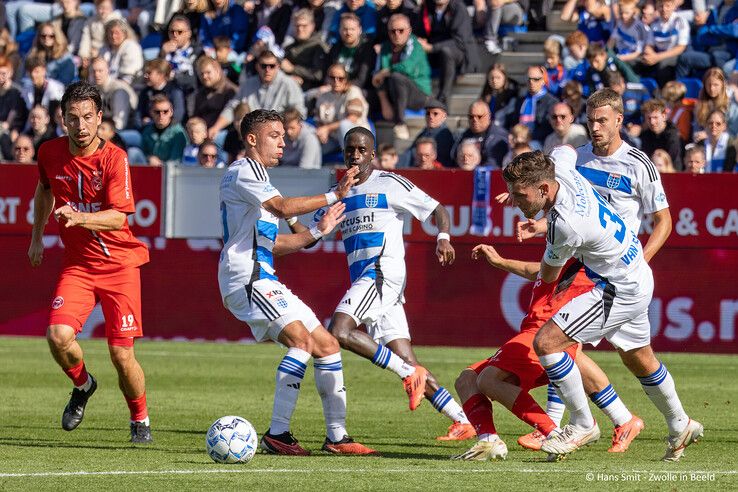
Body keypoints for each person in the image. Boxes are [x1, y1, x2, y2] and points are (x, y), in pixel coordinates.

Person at [502, 144, 702, 462]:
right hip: (636, 270)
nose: (515, 202)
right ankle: (680, 423)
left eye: (520, 195)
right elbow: (565, 148)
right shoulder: (562, 169)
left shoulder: (564, 224)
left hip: (617, 286)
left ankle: (583, 424)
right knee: (639, 358)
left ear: (542, 188)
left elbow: (549, 275)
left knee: (548, 343)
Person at [218, 109, 377, 456]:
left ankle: (337, 438)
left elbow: (274, 244)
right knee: (302, 342)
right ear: (251, 139)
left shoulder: (259, 180)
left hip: (262, 273)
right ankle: (278, 434)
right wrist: (334, 195)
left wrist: (319, 230)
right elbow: (282, 206)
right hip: (246, 276)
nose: (283, 142)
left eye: (283, 136)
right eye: (275, 135)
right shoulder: (244, 172)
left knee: (326, 345)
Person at [319, 127, 475, 441]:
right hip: (367, 281)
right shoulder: (339, 191)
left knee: (339, 330)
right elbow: (313, 232)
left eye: (362, 150)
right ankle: (462, 420)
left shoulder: (389, 182)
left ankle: (409, 375)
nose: (355, 156)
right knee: (406, 357)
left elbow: (437, 210)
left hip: (381, 274)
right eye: (350, 150)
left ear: (372, 154)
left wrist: (443, 238)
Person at [28, 81, 152, 443]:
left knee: (121, 354)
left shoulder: (115, 158)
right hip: (79, 266)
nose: (80, 126)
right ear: (62, 120)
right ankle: (83, 385)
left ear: (100, 118)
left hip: (119, 266)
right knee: (57, 336)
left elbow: (119, 217)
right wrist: (37, 235)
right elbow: (44, 190)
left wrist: (80, 218)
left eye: (87, 117)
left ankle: (140, 418)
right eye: (72, 118)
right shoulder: (49, 152)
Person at [211, 51, 307, 138]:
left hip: (280, 135)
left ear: (278, 66)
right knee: (217, 139)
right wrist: (215, 128)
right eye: (264, 66)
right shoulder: (248, 84)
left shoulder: (289, 84)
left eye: (272, 66)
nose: (267, 69)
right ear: (257, 66)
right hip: (252, 134)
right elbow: (233, 107)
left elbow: (299, 113)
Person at [373, 14, 431, 140]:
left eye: (401, 30)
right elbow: (377, 77)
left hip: (418, 94)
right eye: (393, 31)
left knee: (396, 77)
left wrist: (386, 71)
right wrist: (384, 102)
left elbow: (407, 68)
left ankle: (400, 123)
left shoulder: (415, 45)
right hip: (394, 93)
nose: (397, 34)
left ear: (409, 31)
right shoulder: (385, 48)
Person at [416, 0, 479, 104]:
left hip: (461, 53)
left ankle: (442, 98)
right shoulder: (427, 7)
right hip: (435, 52)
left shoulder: (458, 7)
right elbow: (419, 30)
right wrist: (420, 40)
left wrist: (432, 47)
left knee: (446, 52)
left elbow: (460, 40)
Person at [314, 63, 369, 154]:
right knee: (311, 137)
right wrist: (321, 131)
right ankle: (309, 167)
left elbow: (352, 119)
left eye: (340, 78)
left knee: (344, 125)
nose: (336, 81)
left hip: (357, 138)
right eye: (332, 78)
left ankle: (352, 162)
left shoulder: (353, 92)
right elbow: (318, 120)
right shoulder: (322, 96)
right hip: (332, 138)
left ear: (346, 79)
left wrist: (327, 128)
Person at [638, 0, 688, 87]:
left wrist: (657, 57)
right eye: (661, 6)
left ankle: (662, 95)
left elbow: (681, 47)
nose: (664, 9)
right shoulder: (655, 24)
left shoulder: (679, 21)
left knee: (663, 64)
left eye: (667, 6)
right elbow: (649, 45)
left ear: (673, 6)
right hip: (657, 55)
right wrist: (649, 54)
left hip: (674, 55)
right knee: (639, 62)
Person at [507, 66, 558, 146]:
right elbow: (514, 121)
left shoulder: (552, 102)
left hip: (539, 142)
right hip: (518, 140)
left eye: (536, 79)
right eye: (529, 79)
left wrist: (528, 137)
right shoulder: (520, 100)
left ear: (543, 81)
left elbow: (548, 128)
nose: (531, 82)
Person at [325, 13, 376, 91]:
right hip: (334, 87)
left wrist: (342, 87)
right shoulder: (335, 48)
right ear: (339, 30)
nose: (348, 33)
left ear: (360, 30)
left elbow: (361, 80)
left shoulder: (367, 49)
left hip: (357, 90)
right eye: (345, 29)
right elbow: (327, 74)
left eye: (352, 29)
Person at [453, 100, 509, 169]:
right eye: (471, 117)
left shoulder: (499, 136)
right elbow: (454, 157)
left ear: (488, 116)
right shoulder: (464, 135)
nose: (475, 120)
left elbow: (494, 165)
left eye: (479, 116)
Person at [281, 9, 328, 91]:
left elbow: (318, 74)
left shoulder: (318, 46)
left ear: (312, 26)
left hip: (310, 91)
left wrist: (293, 69)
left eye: (304, 26)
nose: (300, 29)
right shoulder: (289, 47)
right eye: (297, 26)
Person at [89, 56, 138, 131]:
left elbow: (120, 124)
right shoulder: (95, 89)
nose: (96, 74)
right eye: (94, 71)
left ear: (108, 71)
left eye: (100, 71)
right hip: (106, 127)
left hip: (127, 129)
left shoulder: (118, 90)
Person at [403, 99, 455, 168]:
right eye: (428, 113)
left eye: (435, 114)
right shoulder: (425, 132)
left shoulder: (444, 135)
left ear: (444, 116)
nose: (430, 117)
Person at [141, 94, 188, 166]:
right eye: (157, 112)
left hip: (171, 173)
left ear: (171, 112)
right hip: (149, 169)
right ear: (151, 112)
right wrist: (149, 158)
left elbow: (176, 160)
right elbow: (142, 152)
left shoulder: (178, 133)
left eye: (165, 111)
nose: (161, 116)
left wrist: (160, 165)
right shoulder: (147, 131)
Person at [193, 56, 238, 130]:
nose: (204, 76)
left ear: (218, 71)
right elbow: (196, 117)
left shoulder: (231, 91)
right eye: (202, 74)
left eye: (208, 72)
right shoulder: (200, 94)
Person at [27, 21, 77, 85]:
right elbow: (24, 76)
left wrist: (44, 84)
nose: (46, 38)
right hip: (34, 90)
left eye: (51, 36)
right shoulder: (33, 53)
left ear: (57, 36)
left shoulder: (65, 57)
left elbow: (65, 82)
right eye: (43, 35)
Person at [640, 98, 683, 171]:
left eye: (655, 117)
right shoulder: (645, 135)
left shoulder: (672, 135)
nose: (652, 122)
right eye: (649, 118)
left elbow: (674, 159)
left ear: (664, 116)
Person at [99, 18, 144, 86]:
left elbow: (129, 76)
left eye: (117, 33)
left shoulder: (131, 47)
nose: (113, 36)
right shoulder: (104, 49)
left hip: (128, 87)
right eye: (111, 33)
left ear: (124, 33)